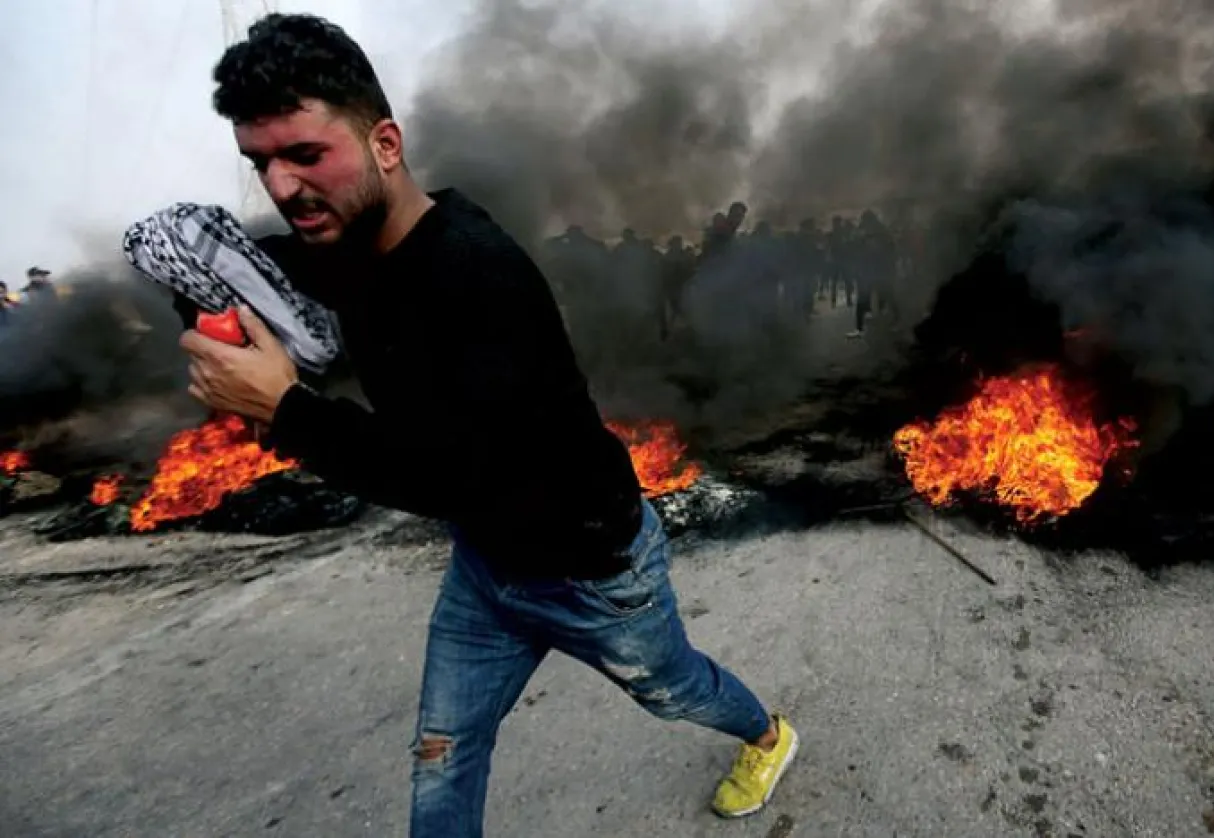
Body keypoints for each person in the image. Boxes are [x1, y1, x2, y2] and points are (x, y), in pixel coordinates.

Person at [178, 15, 797, 837]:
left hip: (594, 573)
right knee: (444, 755)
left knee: (675, 689)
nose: (283, 187)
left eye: (305, 154)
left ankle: (768, 735)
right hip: (487, 568)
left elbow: (452, 475)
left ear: (385, 144)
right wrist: (187, 268)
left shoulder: (476, 272)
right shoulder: (347, 242)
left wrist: (286, 411)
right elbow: (247, 271)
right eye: (261, 162)